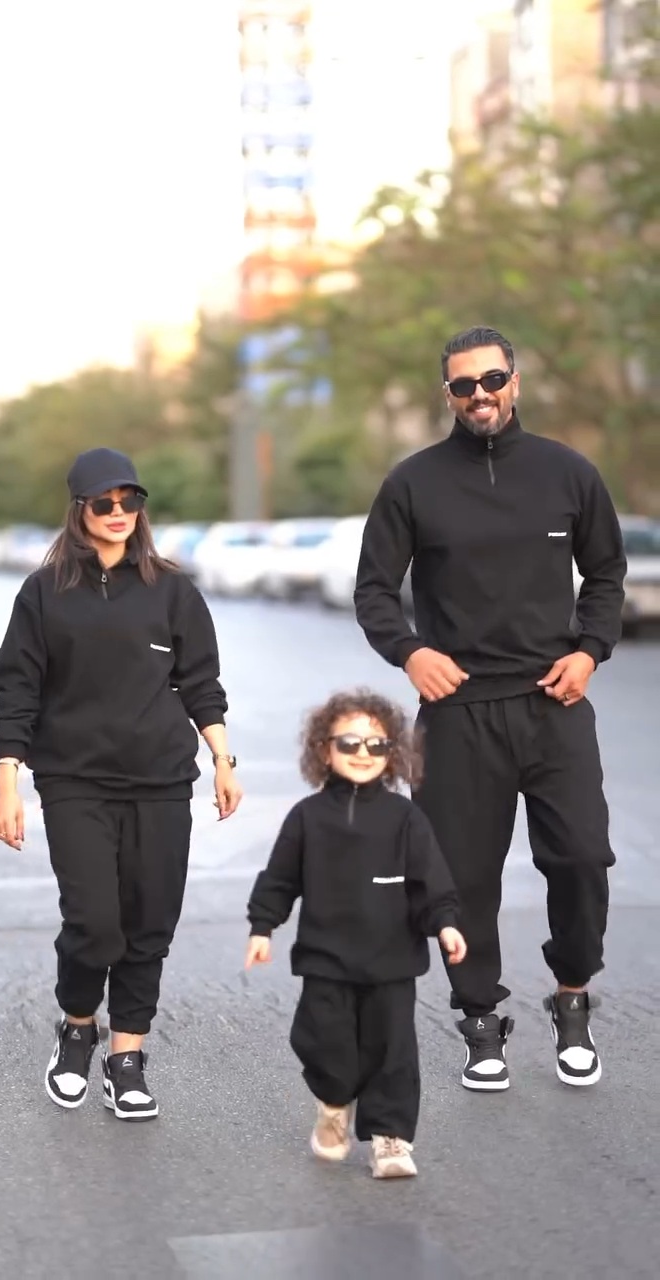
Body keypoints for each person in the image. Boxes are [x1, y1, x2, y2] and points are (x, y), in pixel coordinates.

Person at [354, 326, 626, 1092]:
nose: (480, 395)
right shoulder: (413, 483)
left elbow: (606, 573)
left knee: (581, 858)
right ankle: (480, 1019)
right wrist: (410, 651)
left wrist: (589, 650)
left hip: (554, 702)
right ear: (447, 394)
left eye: (492, 380)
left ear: (515, 381)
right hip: (458, 714)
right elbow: (374, 589)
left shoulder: (568, 473)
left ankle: (572, 997)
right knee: (462, 881)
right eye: (463, 385)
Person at [0, 447, 242, 1120]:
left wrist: (222, 758)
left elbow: (202, 683)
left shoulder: (173, 590)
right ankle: (78, 1028)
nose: (119, 513)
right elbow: (17, 689)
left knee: (150, 920)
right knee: (95, 922)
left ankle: (126, 1057)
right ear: (79, 511)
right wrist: (8, 780)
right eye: (104, 503)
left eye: (130, 500)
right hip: (73, 779)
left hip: (161, 779)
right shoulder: (44, 592)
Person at [244, 689, 466, 1179]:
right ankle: (333, 1102)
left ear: (393, 754)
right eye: (349, 743)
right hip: (326, 959)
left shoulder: (405, 817)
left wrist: (446, 923)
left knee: (393, 1053)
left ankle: (390, 1138)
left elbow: (431, 880)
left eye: (377, 744)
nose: (363, 753)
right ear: (324, 750)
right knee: (324, 1043)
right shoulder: (307, 817)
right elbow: (279, 879)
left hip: (392, 961)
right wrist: (263, 927)